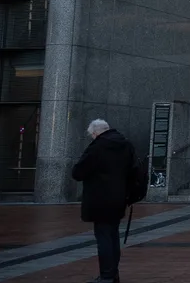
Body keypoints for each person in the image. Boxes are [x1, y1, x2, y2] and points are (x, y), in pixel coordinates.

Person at [71, 119, 136, 283]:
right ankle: (113, 273)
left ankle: (107, 275)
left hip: (100, 198)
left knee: (104, 237)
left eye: (92, 135)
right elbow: (134, 170)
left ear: (95, 133)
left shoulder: (97, 147)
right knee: (113, 236)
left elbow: (78, 172)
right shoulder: (125, 144)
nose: (92, 138)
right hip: (119, 197)